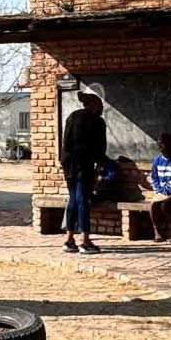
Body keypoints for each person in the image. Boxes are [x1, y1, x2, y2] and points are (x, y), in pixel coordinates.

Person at [59, 91, 107, 253]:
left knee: (73, 199)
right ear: (93, 106)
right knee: (83, 200)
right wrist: (102, 165)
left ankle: (69, 239)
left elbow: (66, 143)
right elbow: (100, 150)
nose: (102, 108)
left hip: (68, 164)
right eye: (100, 105)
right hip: (83, 164)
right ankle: (85, 240)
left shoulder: (72, 117)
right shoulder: (97, 122)